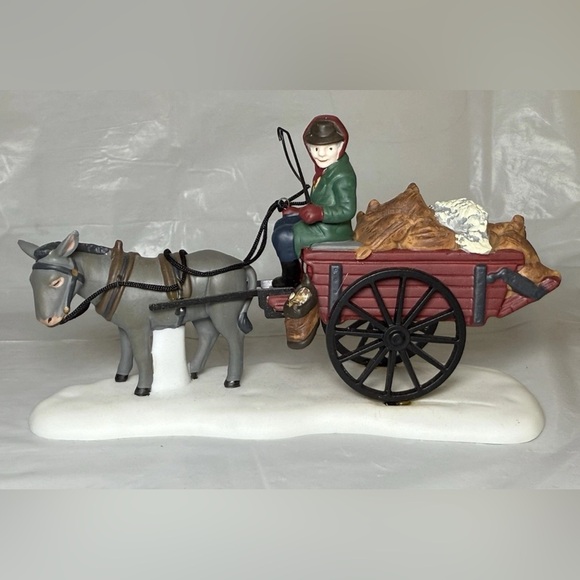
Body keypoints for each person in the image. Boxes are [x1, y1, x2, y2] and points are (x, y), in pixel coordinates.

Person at [271, 114, 357, 287]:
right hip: (324, 224)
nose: (322, 154)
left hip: (332, 230)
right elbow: (323, 201)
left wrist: (321, 213)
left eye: (329, 149)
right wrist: (297, 211)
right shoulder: (326, 170)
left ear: (340, 146)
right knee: (281, 224)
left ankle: (291, 279)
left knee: (283, 236)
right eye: (316, 149)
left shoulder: (342, 175)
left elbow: (348, 210)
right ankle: (298, 272)